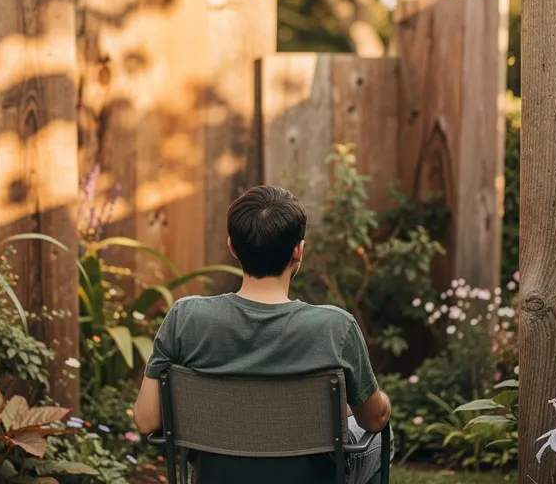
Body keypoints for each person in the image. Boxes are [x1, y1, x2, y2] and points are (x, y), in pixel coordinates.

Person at [132, 186, 393, 484]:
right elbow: (375, 419)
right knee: (385, 434)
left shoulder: (185, 318)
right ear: (298, 249)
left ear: (232, 247)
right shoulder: (336, 326)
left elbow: (146, 419)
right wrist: (378, 400)